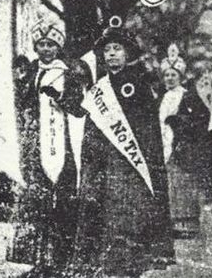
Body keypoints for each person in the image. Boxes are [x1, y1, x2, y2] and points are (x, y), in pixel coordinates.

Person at [67, 23, 175, 277]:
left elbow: (148, 132)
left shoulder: (139, 86)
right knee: (104, 224)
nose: (112, 54)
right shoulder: (98, 90)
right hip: (104, 168)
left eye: (117, 49)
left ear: (128, 54)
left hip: (130, 168)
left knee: (128, 225)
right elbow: (91, 132)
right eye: (107, 50)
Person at [7, 21, 89, 277]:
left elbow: (79, 108)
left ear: (58, 47)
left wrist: (60, 97)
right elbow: (19, 104)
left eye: (51, 45)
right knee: (37, 204)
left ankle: (62, 261)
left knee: (63, 203)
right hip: (35, 146)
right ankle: (39, 261)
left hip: (62, 147)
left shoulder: (68, 73)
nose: (46, 50)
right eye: (41, 45)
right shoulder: (30, 74)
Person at [158, 44, 205, 238]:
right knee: (168, 184)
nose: (169, 78)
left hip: (182, 146)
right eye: (167, 75)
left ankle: (187, 224)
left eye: (173, 75)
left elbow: (200, 119)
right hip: (164, 143)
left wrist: (180, 122)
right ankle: (169, 223)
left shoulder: (188, 96)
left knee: (182, 183)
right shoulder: (161, 97)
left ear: (180, 77)